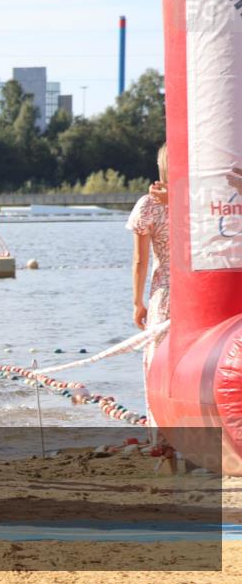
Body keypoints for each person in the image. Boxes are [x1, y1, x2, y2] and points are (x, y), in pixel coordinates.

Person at [127, 145, 170, 445]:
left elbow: (140, 261)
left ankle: (162, 441)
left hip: (165, 294)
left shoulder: (148, 205)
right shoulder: (200, 202)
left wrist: (137, 302)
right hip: (199, 290)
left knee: (158, 365)